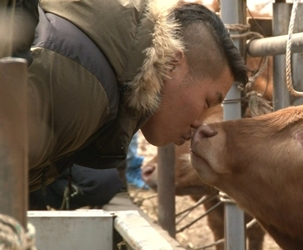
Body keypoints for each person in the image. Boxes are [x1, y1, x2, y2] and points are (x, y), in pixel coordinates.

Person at [15, 0, 248, 193]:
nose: (199, 122)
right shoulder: (86, 88)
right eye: (207, 102)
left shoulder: (97, 67)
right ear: (173, 64)